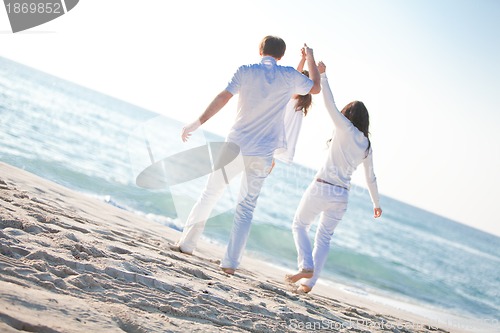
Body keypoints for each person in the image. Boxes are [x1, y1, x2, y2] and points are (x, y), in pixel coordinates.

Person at [172, 36, 321, 275]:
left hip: (235, 146)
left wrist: (196, 123)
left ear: (260, 50)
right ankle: (230, 264)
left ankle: (187, 244)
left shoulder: (246, 71)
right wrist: (309, 56)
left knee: (209, 194)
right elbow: (315, 86)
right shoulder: (288, 77)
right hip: (261, 154)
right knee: (246, 208)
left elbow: (222, 97)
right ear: (281, 56)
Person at [285, 61, 382, 293]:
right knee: (324, 239)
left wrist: (324, 76)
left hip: (322, 187)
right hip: (342, 196)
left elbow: (329, 104)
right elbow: (371, 178)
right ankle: (309, 284)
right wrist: (376, 204)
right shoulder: (366, 144)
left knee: (299, 224)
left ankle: (305, 265)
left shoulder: (344, 128)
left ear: (348, 115)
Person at [273, 47, 313, 164]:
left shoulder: (299, 101)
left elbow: (296, 76)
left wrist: (305, 59)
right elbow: (296, 76)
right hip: (278, 140)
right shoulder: (294, 97)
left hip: (279, 141)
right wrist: (304, 59)